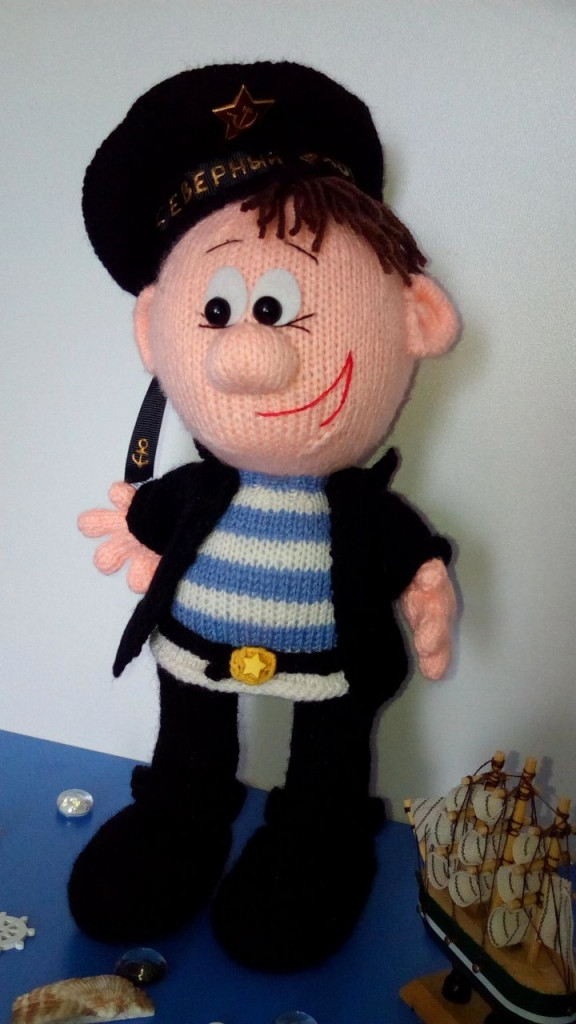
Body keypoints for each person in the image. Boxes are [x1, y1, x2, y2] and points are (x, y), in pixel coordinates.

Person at [68, 62, 459, 972]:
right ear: (155, 330)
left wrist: (426, 585)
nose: (248, 358)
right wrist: (137, 532)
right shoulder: (195, 491)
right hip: (197, 648)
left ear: (417, 317)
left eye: (281, 312)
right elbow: (155, 517)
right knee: (189, 732)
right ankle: (181, 814)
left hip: (332, 659)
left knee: (331, 749)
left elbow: (407, 552)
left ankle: (320, 836)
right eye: (219, 314)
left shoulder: (361, 514)